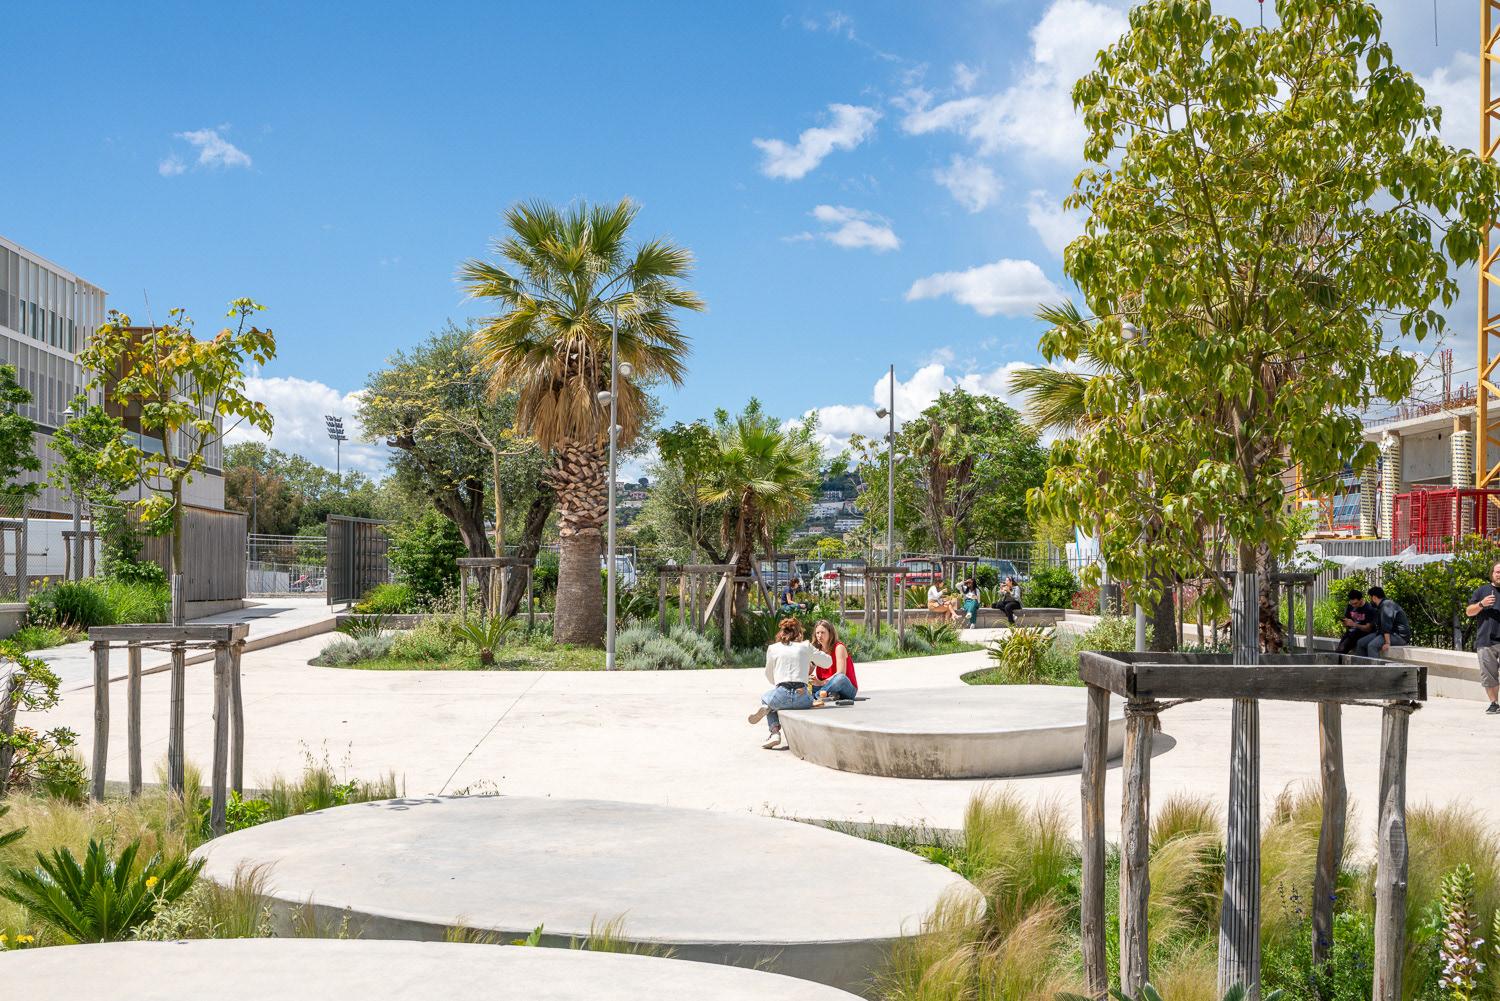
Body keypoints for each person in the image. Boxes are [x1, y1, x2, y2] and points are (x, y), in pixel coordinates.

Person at [748, 617, 831, 749]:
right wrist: (812, 657)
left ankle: (774, 732)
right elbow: (828, 662)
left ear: (781, 633)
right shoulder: (805, 646)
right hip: (803, 697)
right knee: (812, 696)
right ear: (799, 633)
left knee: (766, 699)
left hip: (782, 694)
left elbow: (769, 676)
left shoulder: (773, 648)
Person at [1466, 561, 1500, 714]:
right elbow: (1469, 612)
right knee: (1488, 675)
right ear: (1492, 574)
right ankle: (1494, 703)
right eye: (1497, 572)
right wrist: (1481, 604)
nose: (1499, 575)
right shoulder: (1482, 591)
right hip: (1486, 640)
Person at [810, 619, 858, 701]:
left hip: (845, 688)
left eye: (823, 632)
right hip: (825, 686)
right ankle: (829, 694)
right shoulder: (817, 650)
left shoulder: (839, 647)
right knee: (803, 682)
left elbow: (841, 672)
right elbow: (808, 671)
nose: (820, 635)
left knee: (840, 678)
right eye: (817, 633)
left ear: (830, 633)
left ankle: (818, 695)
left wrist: (822, 683)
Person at [1358, 586, 1411, 659]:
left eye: (1370, 598)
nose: (1370, 601)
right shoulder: (1382, 605)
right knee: (1360, 643)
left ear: (1374, 597)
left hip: (1398, 636)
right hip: (1385, 634)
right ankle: (1363, 668)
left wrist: (1387, 643)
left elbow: (1386, 625)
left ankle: (1376, 669)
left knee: (1372, 646)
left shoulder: (1386, 605)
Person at [1334, 588, 1378, 655]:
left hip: (1361, 633)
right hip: (1351, 632)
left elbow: (1369, 629)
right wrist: (1346, 623)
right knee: (1339, 649)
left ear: (1361, 599)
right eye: (1352, 604)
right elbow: (1348, 619)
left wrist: (1354, 624)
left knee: (1340, 650)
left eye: (1355, 603)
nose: (1354, 606)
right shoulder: (1350, 606)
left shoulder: (1369, 609)